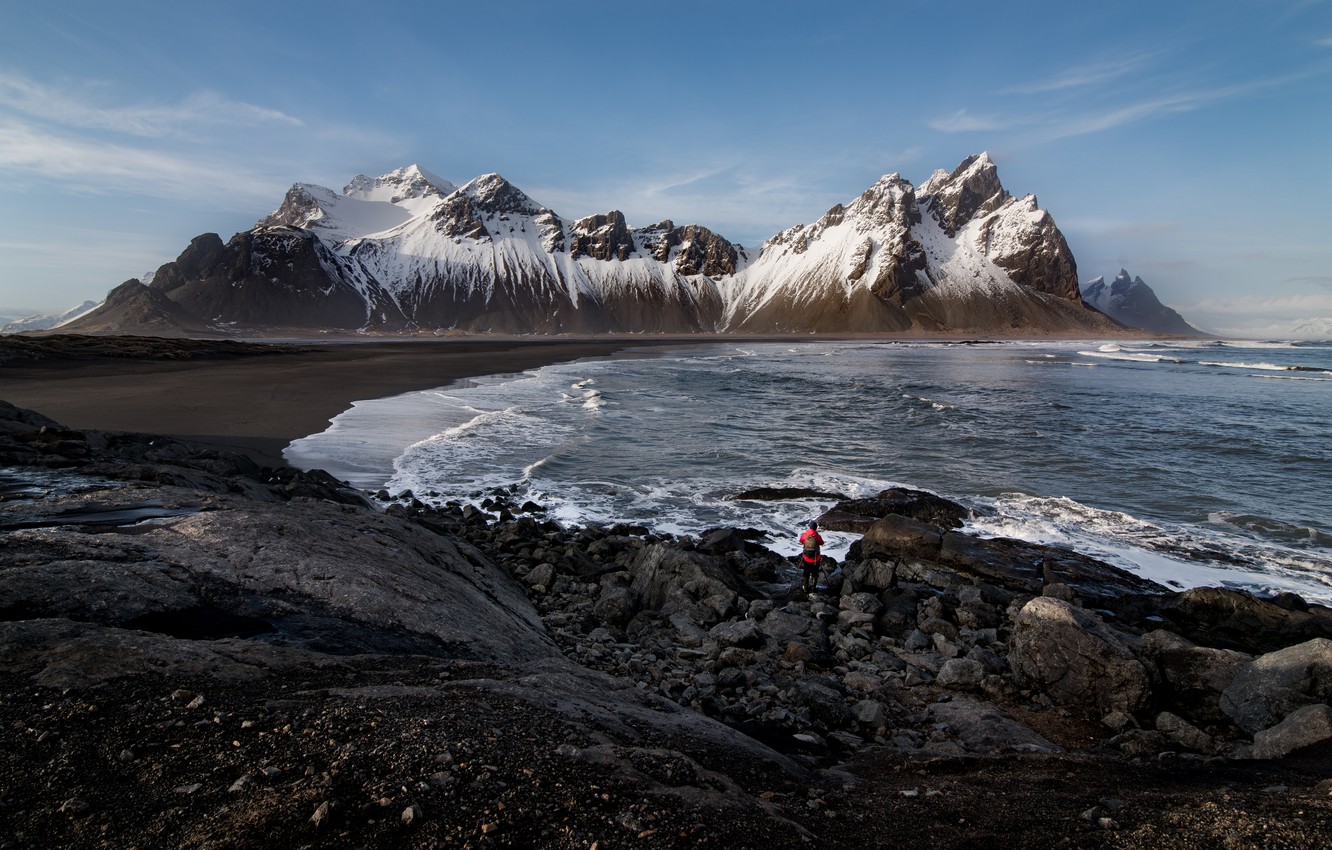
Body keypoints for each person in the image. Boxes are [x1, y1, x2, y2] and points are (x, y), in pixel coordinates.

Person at [799, 520, 824, 592]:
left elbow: (801, 540)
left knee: (806, 572)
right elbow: (822, 543)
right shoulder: (817, 536)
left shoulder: (805, 535)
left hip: (806, 557)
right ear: (815, 528)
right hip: (816, 558)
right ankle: (813, 587)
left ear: (809, 527)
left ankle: (805, 589)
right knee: (815, 573)